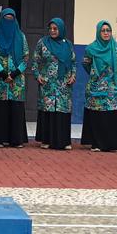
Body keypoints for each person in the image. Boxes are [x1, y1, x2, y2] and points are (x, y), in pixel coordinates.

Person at [81, 20, 117, 152]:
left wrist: (113, 75)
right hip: (96, 87)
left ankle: (114, 144)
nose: (106, 33)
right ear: (98, 32)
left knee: (113, 116)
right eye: (103, 30)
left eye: (108, 30)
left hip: (114, 87)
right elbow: (86, 64)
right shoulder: (90, 49)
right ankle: (97, 144)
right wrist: (96, 75)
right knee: (98, 116)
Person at [0, 8, 29, 148]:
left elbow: (26, 57)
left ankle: (16, 140)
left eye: (11, 19)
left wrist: (15, 74)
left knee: (16, 109)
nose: (8, 22)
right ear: (1, 20)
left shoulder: (20, 36)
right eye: (6, 19)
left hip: (16, 81)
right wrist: (3, 74)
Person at [34, 18, 76, 151]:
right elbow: (35, 61)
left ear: (61, 29)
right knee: (48, 111)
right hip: (48, 83)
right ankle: (46, 140)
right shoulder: (43, 43)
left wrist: (73, 76)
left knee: (62, 111)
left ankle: (64, 141)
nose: (52, 31)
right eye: (51, 28)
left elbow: (73, 62)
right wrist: (37, 75)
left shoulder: (68, 44)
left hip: (64, 84)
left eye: (55, 28)